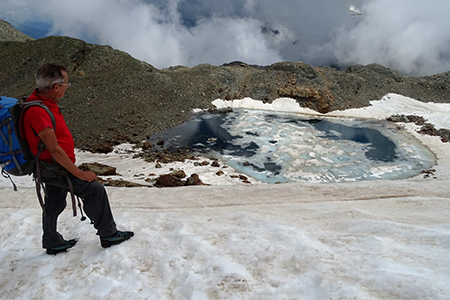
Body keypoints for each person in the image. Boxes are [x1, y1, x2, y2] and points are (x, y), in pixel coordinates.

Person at [23, 62, 134, 255]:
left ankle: (51, 241)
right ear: (55, 87)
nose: (67, 88)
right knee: (94, 190)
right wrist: (78, 173)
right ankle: (108, 235)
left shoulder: (41, 104)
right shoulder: (39, 112)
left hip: (47, 166)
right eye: (66, 84)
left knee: (54, 202)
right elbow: (55, 150)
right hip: (54, 167)